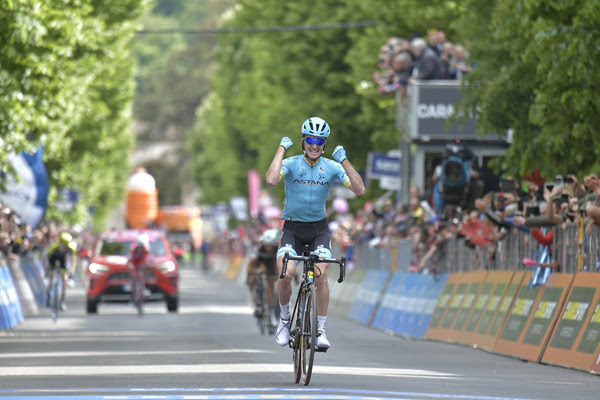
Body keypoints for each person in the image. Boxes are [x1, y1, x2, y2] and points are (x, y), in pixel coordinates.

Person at [266, 116, 365, 349]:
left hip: (319, 230)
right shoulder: (291, 164)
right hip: (292, 228)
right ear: (303, 141)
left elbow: (360, 189)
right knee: (286, 274)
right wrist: (281, 149)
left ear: (325, 145)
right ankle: (284, 320)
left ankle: (320, 331)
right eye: (310, 140)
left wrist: (345, 162)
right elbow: (271, 179)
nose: (314, 145)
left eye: (320, 142)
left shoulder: (331, 167)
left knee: (320, 276)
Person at [247, 228, 280, 325]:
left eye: (271, 246)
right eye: (267, 246)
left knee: (270, 286)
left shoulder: (278, 247)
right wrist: (254, 271)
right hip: (259, 263)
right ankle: (251, 296)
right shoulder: (258, 247)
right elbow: (251, 264)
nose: (269, 248)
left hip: (271, 264)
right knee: (252, 278)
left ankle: (271, 311)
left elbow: (278, 263)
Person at [45, 231, 77, 311]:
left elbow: (73, 260)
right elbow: (45, 258)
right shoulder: (54, 246)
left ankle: (62, 300)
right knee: (51, 279)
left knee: (65, 279)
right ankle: (48, 297)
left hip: (63, 260)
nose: (64, 247)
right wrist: (46, 269)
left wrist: (72, 271)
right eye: (63, 244)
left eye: (66, 245)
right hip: (53, 259)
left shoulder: (71, 247)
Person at [128, 234, 151, 304]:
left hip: (141, 263)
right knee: (134, 277)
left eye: (142, 247)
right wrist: (130, 266)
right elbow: (129, 260)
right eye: (139, 247)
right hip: (135, 263)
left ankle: (145, 285)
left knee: (147, 269)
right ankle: (132, 295)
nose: (140, 248)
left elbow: (147, 259)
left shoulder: (146, 249)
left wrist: (148, 266)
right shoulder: (133, 249)